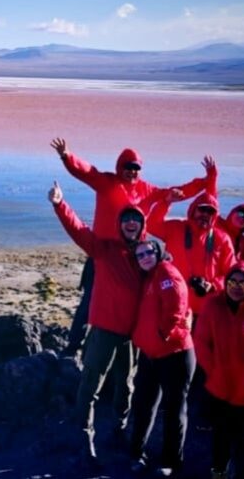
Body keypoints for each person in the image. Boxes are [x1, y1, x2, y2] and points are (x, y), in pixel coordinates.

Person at [49, 181, 144, 469]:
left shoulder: (146, 255)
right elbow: (78, 230)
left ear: (142, 226)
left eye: (136, 220)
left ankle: (118, 430)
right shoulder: (104, 250)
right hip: (103, 331)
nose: (130, 223)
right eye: (126, 219)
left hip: (131, 335)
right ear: (119, 224)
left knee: (126, 386)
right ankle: (85, 441)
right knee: (91, 385)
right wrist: (59, 203)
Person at [193, 261, 244, 479]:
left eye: (243, 283)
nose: (237, 287)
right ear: (226, 283)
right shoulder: (213, 305)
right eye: (232, 281)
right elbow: (201, 342)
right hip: (220, 387)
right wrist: (214, 371)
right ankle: (218, 472)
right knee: (221, 435)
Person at [50, 137, 216, 240]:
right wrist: (68, 157)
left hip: (135, 252)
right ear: (120, 167)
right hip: (103, 250)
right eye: (128, 167)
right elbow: (86, 171)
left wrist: (205, 182)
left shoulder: (148, 190)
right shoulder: (106, 182)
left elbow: (178, 192)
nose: (132, 172)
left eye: (136, 168)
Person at [128, 239, 195, 477]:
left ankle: (171, 462)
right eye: (140, 255)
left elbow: (177, 305)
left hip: (174, 354)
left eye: (149, 252)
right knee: (145, 405)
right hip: (151, 354)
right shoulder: (150, 275)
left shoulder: (166, 272)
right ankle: (136, 452)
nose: (145, 257)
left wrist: (162, 334)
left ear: (158, 252)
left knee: (173, 409)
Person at [147, 191, 236, 316]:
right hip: (175, 301)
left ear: (214, 216)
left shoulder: (222, 239)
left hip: (208, 308)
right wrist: (166, 202)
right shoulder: (175, 229)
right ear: (193, 210)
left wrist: (212, 285)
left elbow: (231, 273)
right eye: (202, 209)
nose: (205, 214)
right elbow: (151, 225)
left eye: (210, 211)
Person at [63, 256, 95, 357]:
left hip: (98, 267)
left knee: (86, 309)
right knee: (85, 308)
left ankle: (76, 343)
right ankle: (74, 344)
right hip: (96, 267)